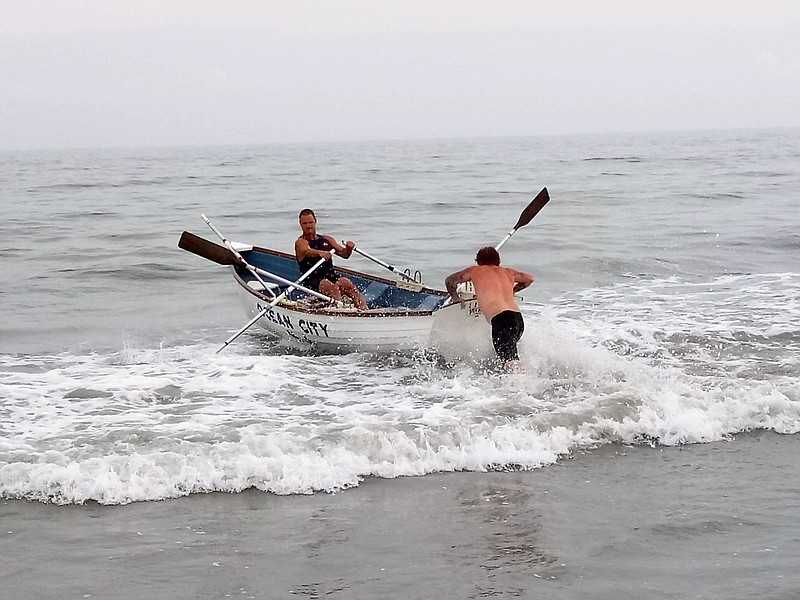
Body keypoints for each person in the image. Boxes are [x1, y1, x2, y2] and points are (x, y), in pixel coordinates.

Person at [445, 246, 534, 370]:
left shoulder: (475, 271)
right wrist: (513, 291)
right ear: (499, 262)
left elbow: (449, 281)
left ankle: (525, 386)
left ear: (478, 262)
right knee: (510, 359)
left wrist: (455, 297)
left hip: (501, 320)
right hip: (518, 320)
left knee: (511, 363)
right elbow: (529, 279)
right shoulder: (508, 272)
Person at [295, 209, 368, 310]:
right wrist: (320, 253)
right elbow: (306, 251)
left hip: (330, 274)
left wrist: (349, 248)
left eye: (311, 222)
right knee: (331, 287)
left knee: (347, 283)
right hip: (312, 279)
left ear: (315, 222)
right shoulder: (301, 242)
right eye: (305, 223)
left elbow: (344, 254)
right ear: (301, 224)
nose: (308, 226)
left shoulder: (327, 240)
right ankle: (340, 311)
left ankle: (364, 310)